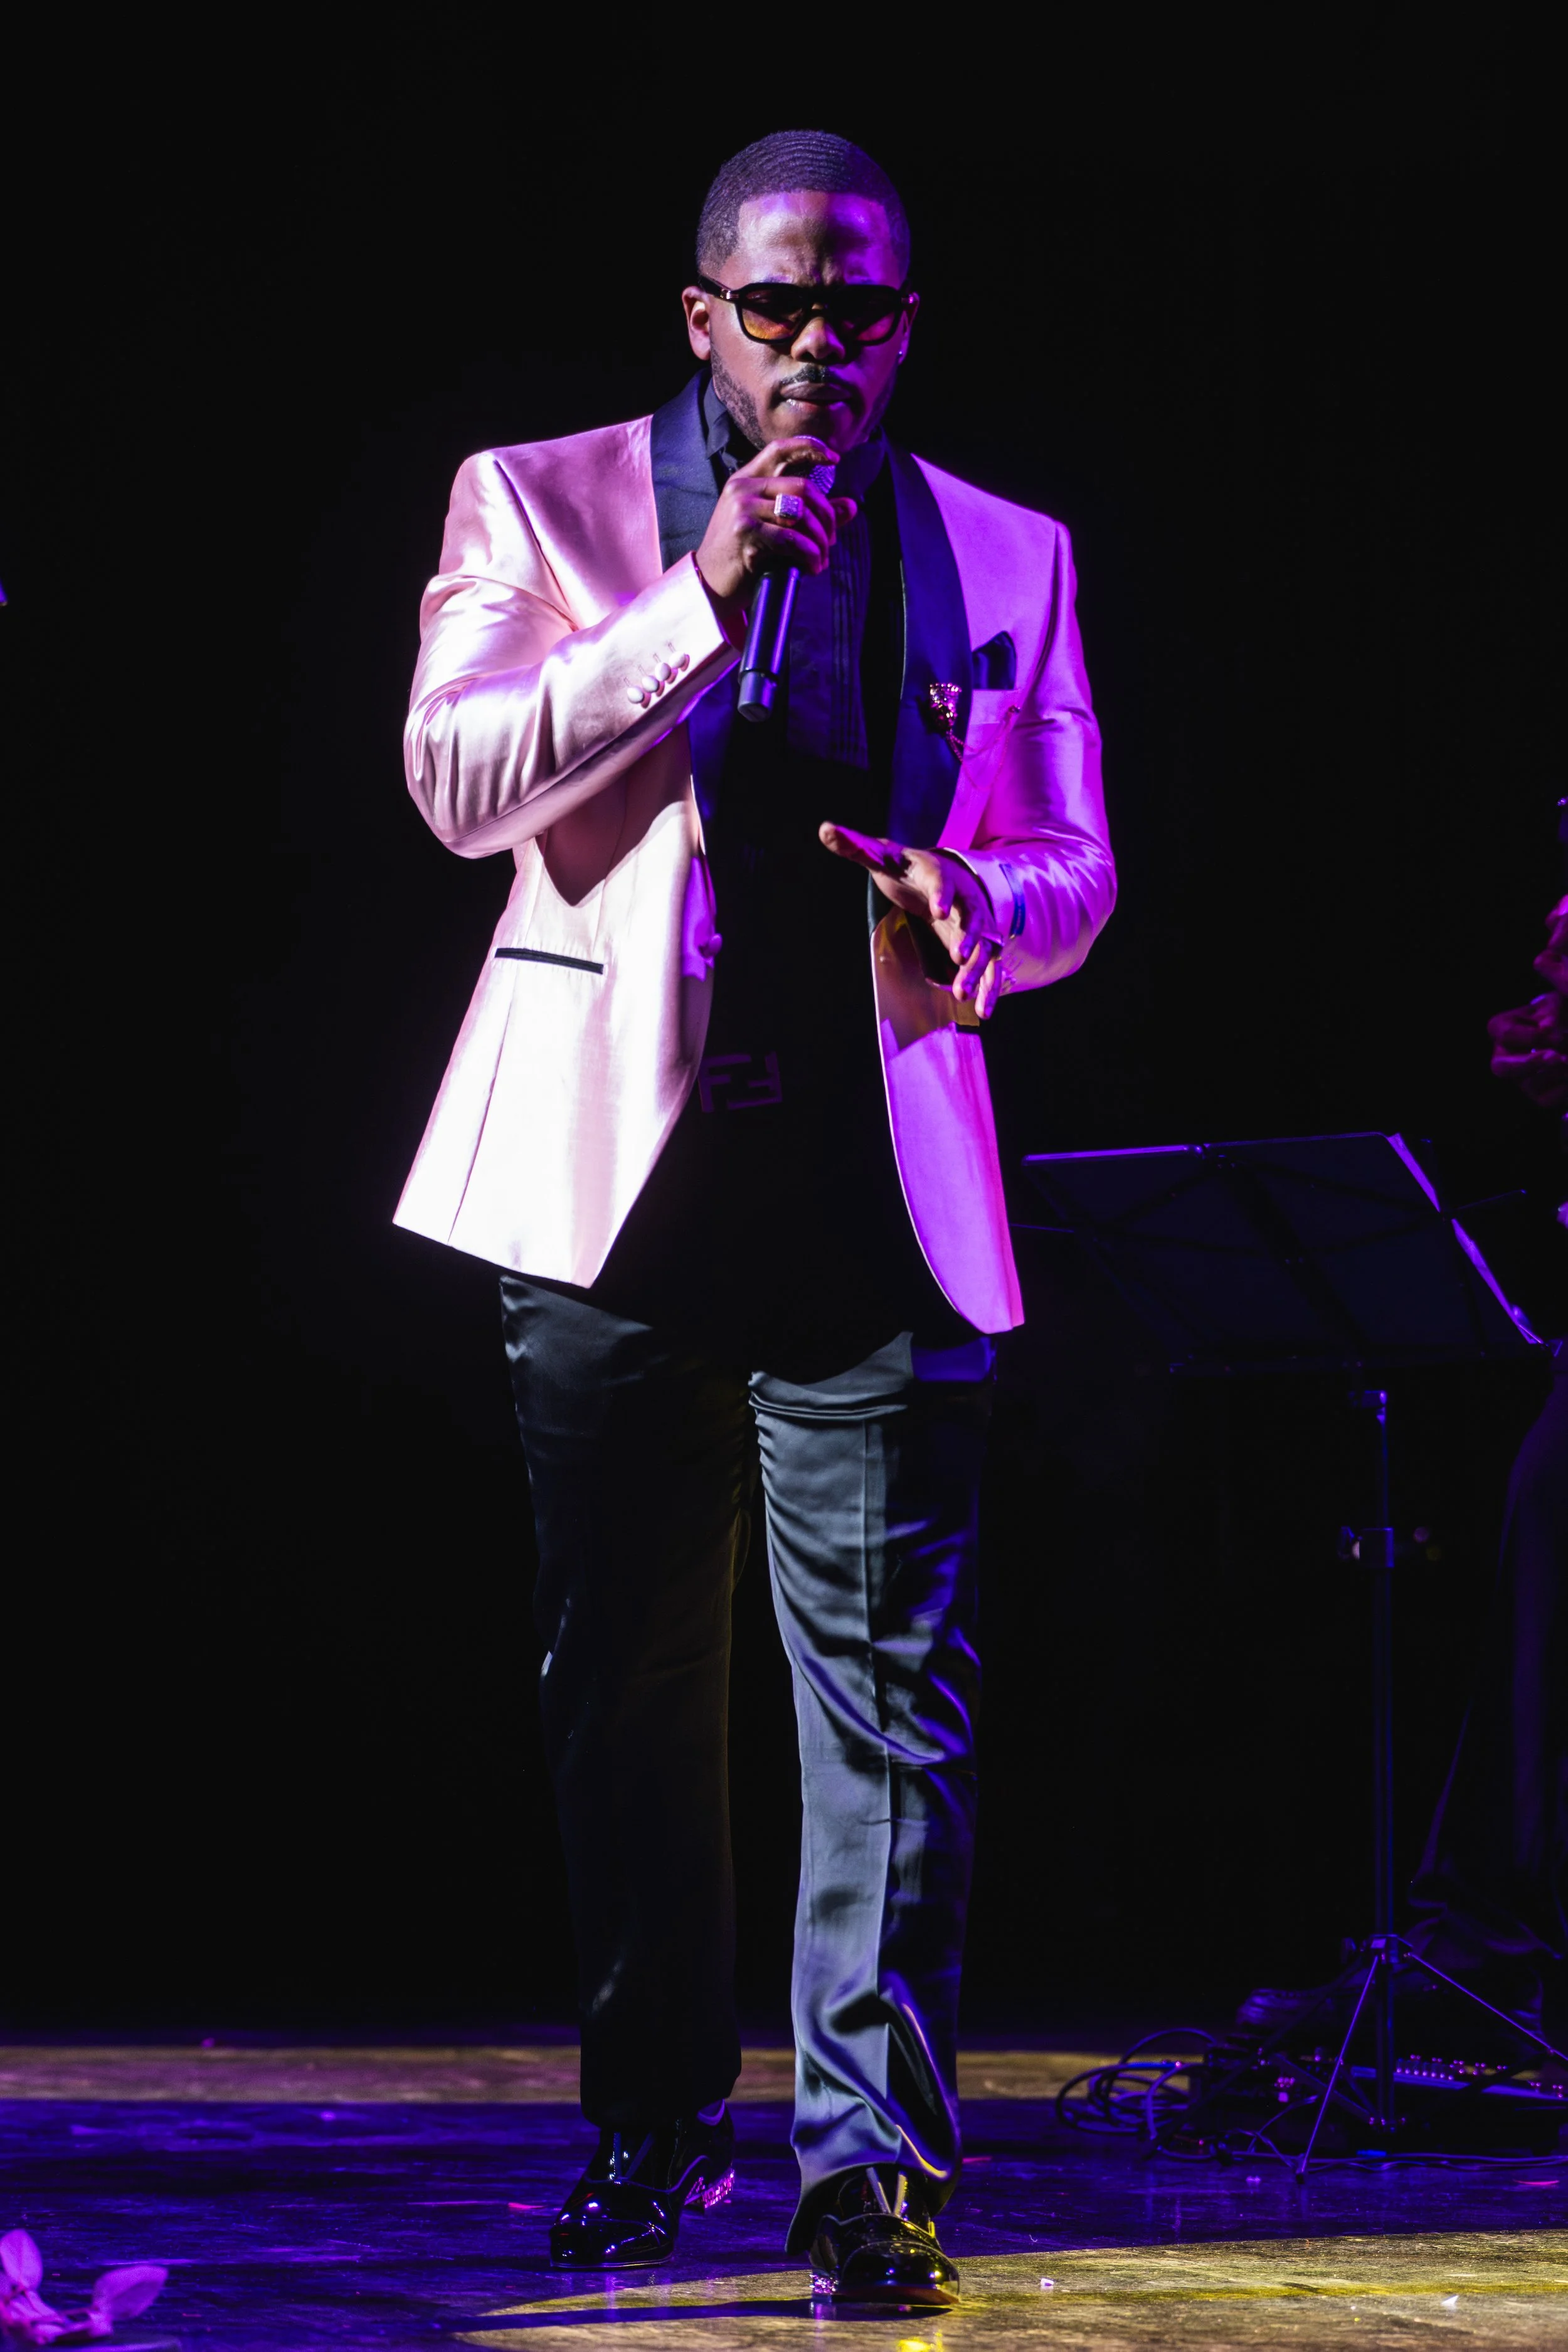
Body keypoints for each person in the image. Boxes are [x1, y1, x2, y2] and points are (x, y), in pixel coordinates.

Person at [396, 129, 1115, 2307]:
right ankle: (649, 2118)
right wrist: (701, 594)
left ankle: (868, 2167)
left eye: (857, 310)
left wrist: (974, 900)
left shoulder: (1006, 550)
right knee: (627, 1698)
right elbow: (458, 785)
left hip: (868, 1202)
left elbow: (1072, 859)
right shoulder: (541, 504)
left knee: (891, 1709)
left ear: (904, 327)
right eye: (777, 305)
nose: (818, 345)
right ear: (702, 314)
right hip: (617, 1198)